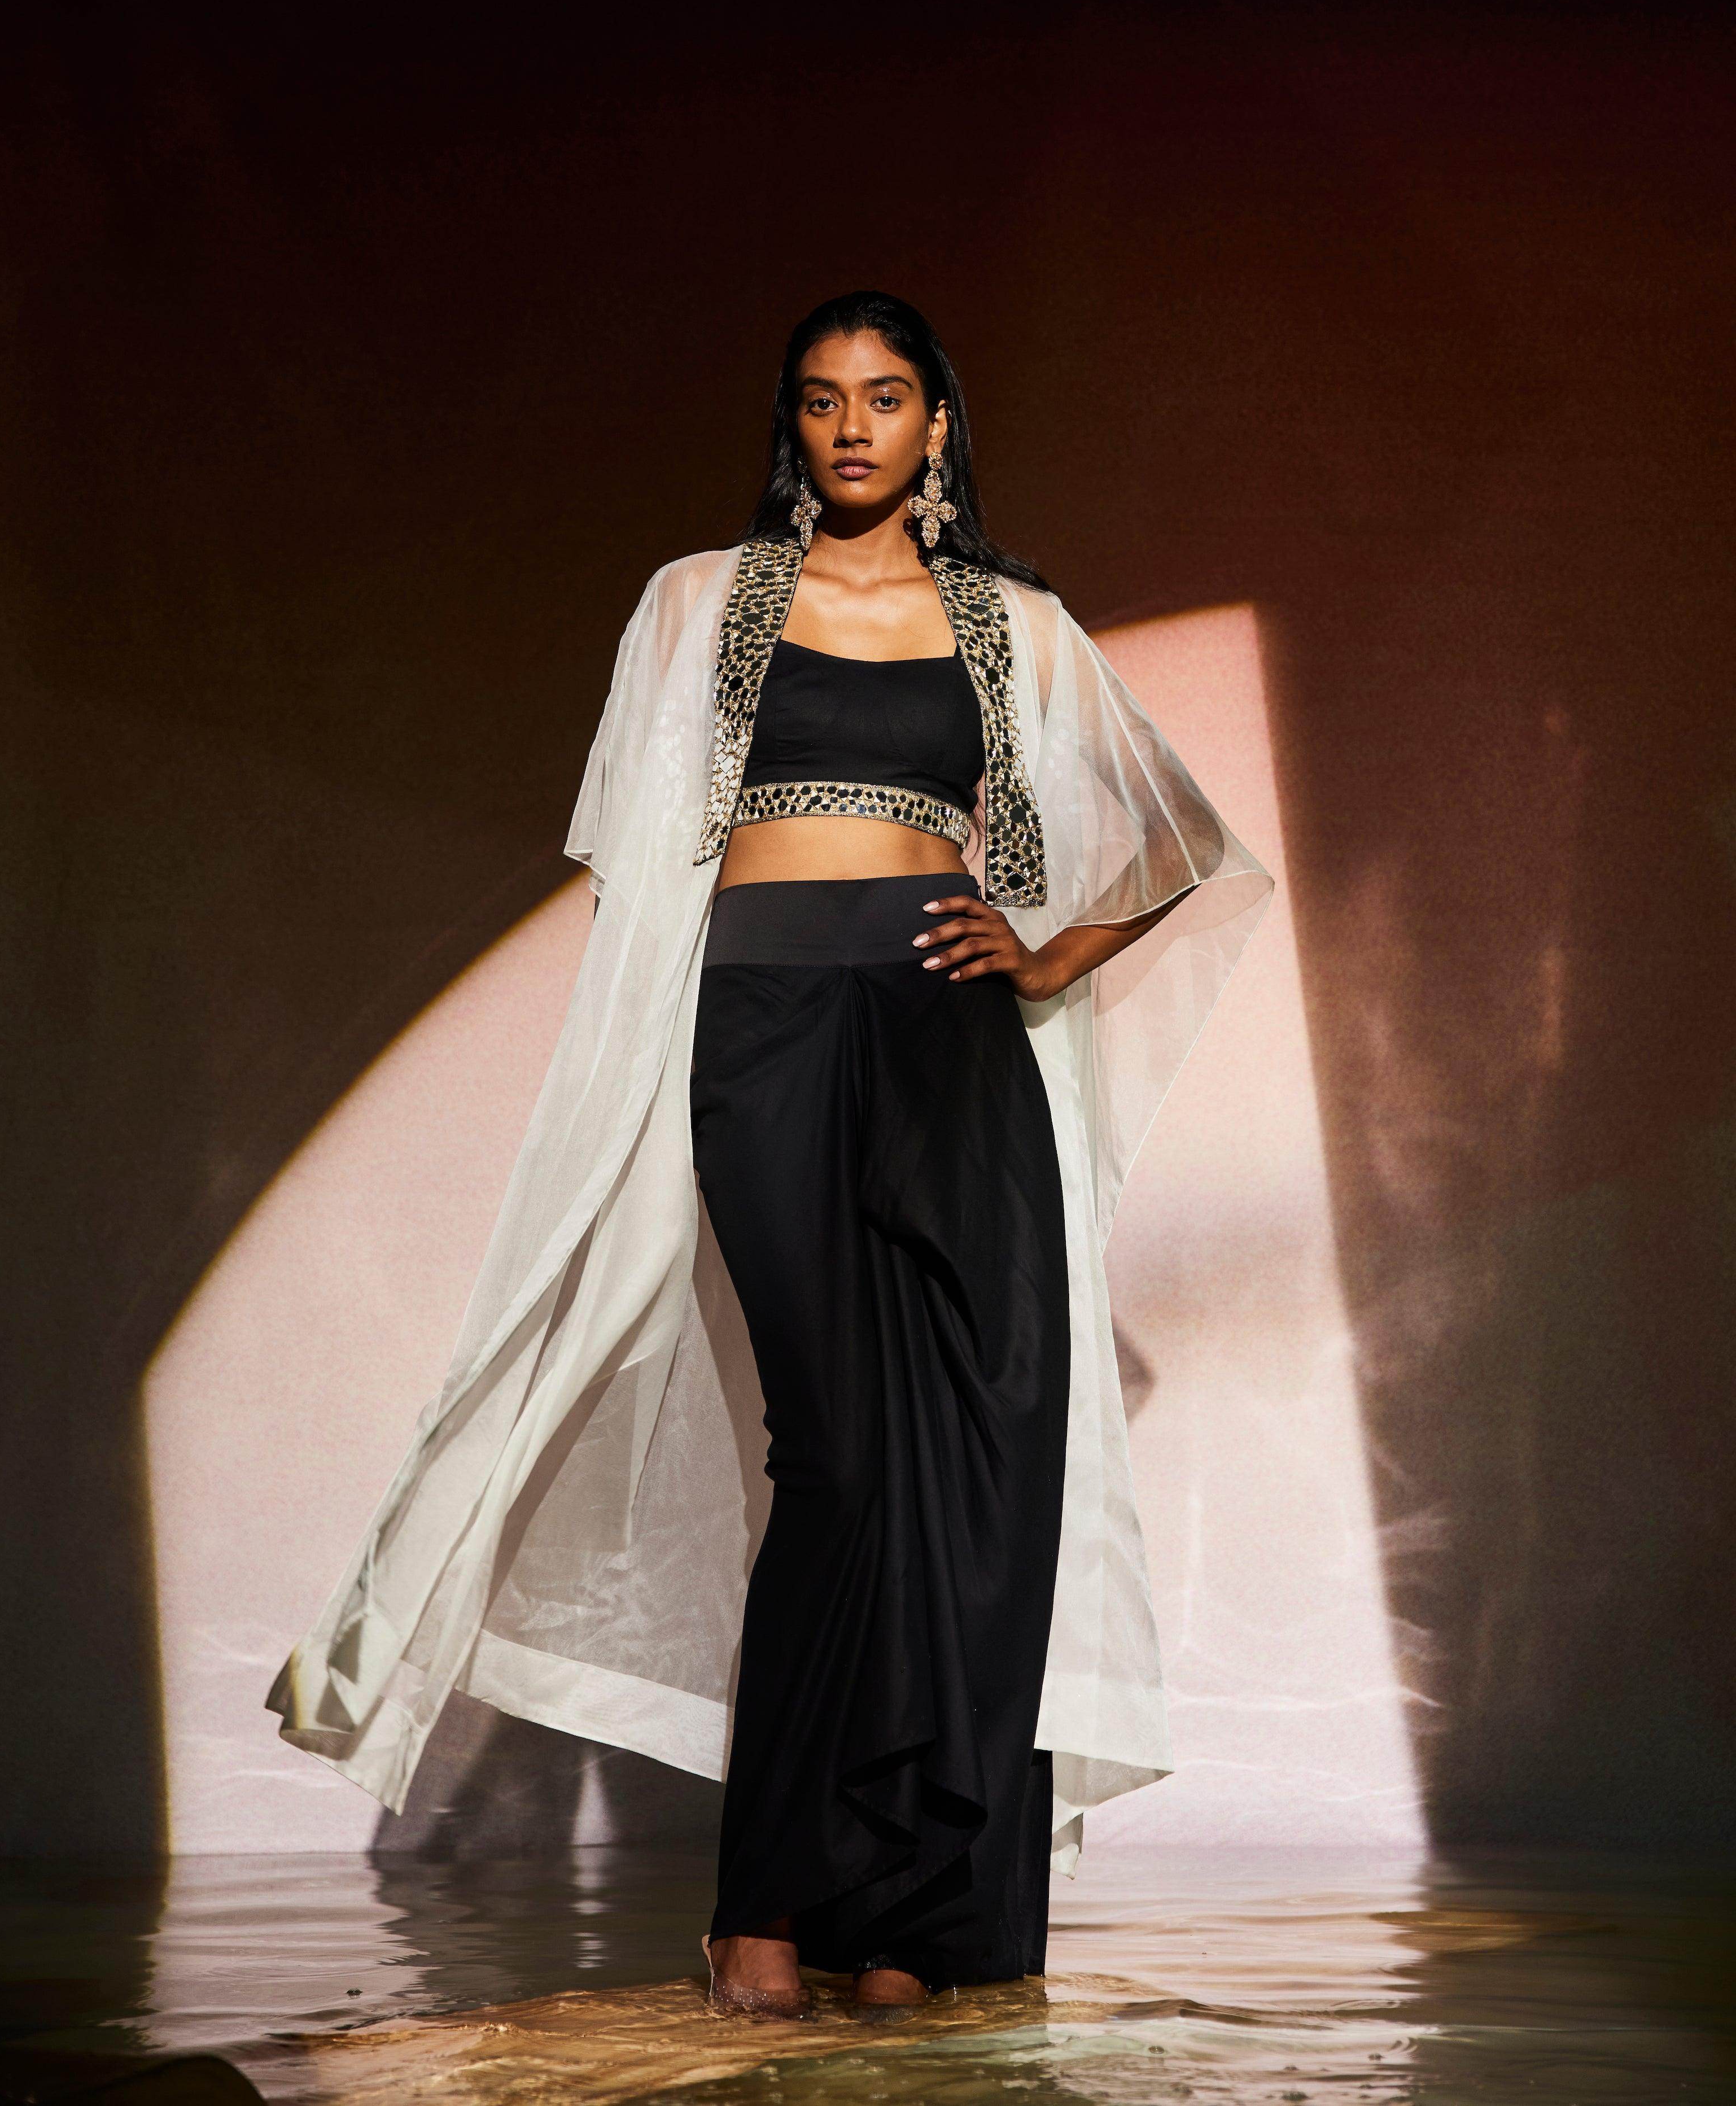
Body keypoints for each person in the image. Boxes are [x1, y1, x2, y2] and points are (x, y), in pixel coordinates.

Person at [269, 291, 1271, 2018]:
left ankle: (921, 1915)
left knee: (979, 1470)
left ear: (937, 424)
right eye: (822, 399)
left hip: (951, 1048)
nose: (854, 426)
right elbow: (638, 870)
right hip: (769, 1032)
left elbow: (1181, 833)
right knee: (841, 1462)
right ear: (792, 425)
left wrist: (1045, 955)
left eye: (886, 397)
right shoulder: (700, 602)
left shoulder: (1010, 622)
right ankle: (765, 1905)